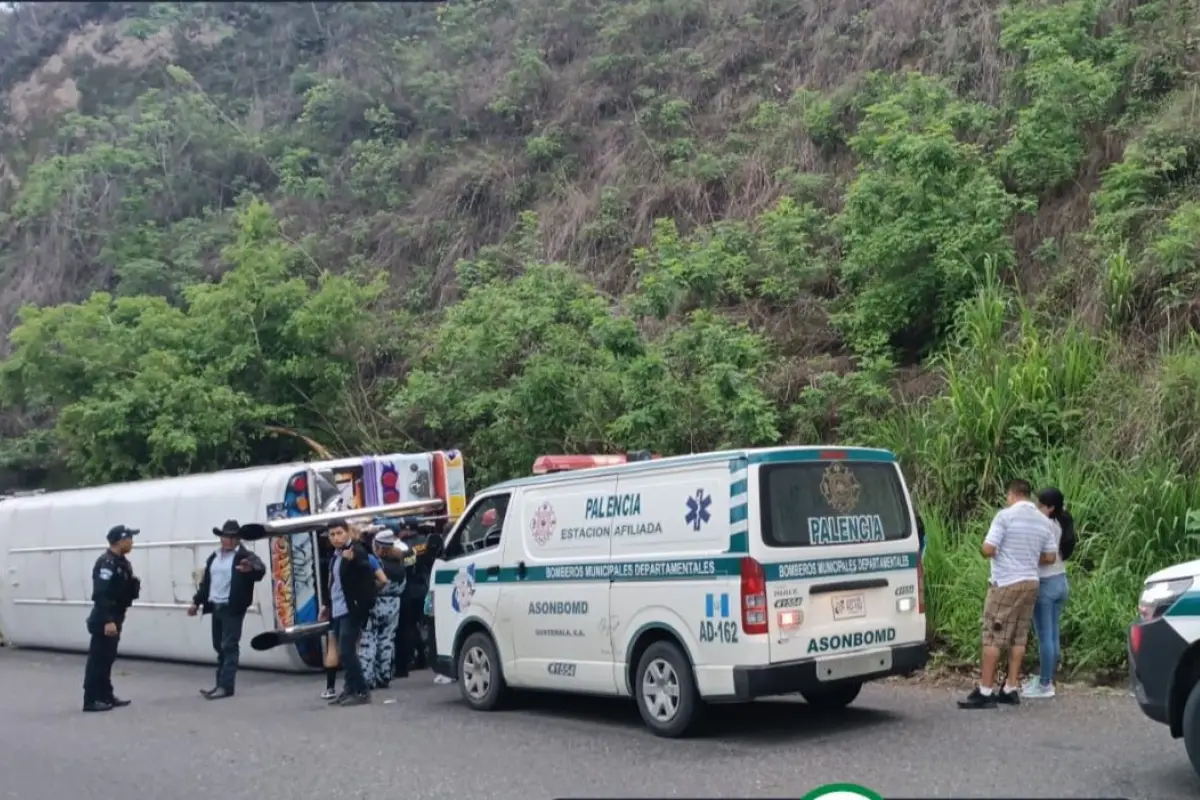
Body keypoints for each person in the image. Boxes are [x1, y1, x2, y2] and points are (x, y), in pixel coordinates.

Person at [959, 479, 1059, 709]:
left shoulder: (1005, 517)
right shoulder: (1043, 521)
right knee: (1019, 636)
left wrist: (1002, 553)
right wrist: (1028, 556)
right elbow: (1050, 557)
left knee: (993, 635)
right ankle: (1010, 688)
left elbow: (988, 549)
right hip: (1031, 583)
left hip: (1005, 584)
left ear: (1012, 495)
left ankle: (985, 691)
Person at [187, 519, 267, 700]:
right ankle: (219, 684)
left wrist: (250, 569)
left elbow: (260, 570)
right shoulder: (214, 557)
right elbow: (206, 583)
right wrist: (196, 602)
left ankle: (226, 686)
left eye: (233, 537)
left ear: (239, 539)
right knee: (218, 645)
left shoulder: (244, 556)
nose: (228, 541)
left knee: (229, 645)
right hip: (216, 605)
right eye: (225, 537)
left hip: (233, 606)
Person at [1022, 487, 1075, 699]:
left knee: (1045, 637)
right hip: (1061, 581)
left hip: (1045, 584)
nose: (1037, 508)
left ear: (1051, 508)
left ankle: (1045, 684)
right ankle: (1048, 678)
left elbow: (1037, 552)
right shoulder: (1063, 521)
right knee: (1053, 635)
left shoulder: (1045, 525)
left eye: (1042, 505)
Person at [83, 524, 141, 713]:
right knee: (98, 660)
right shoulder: (107, 563)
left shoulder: (121, 562)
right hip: (105, 617)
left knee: (108, 658)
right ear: (120, 540)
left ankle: (106, 695)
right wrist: (108, 620)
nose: (132, 543)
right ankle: (91, 699)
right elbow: (100, 594)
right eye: (129, 539)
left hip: (116, 615)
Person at [319, 524, 379, 706]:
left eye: (339, 533)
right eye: (332, 534)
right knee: (343, 652)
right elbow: (334, 584)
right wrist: (326, 605)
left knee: (347, 650)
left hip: (351, 609)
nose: (336, 537)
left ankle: (361, 690)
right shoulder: (336, 556)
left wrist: (363, 606)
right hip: (337, 609)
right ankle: (349, 689)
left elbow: (366, 576)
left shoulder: (357, 551)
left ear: (347, 533)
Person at [360, 529, 406, 689]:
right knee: (387, 640)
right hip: (394, 605)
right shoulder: (400, 562)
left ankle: (367, 677)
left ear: (378, 546)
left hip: (376, 604)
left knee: (369, 640)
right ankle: (384, 675)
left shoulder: (377, 563)